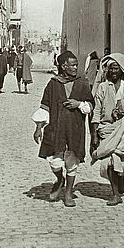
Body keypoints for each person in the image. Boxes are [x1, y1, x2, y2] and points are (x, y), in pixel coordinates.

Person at [32, 51, 94, 207]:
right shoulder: (53, 84)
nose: (75, 68)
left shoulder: (82, 84)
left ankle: (68, 194)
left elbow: (91, 104)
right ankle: (60, 179)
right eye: (72, 65)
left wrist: (78, 104)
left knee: (72, 162)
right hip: (56, 128)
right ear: (63, 66)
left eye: (76, 65)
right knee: (55, 162)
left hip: (75, 129)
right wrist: (39, 128)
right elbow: (44, 106)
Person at [89, 53, 124, 206]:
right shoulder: (102, 87)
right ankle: (115, 194)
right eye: (110, 69)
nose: (113, 72)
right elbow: (96, 111)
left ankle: (121, 177)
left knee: (122, 162)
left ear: (122, 70)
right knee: (108, 161)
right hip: (107, 129)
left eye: (116, 69)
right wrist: (93, 135)